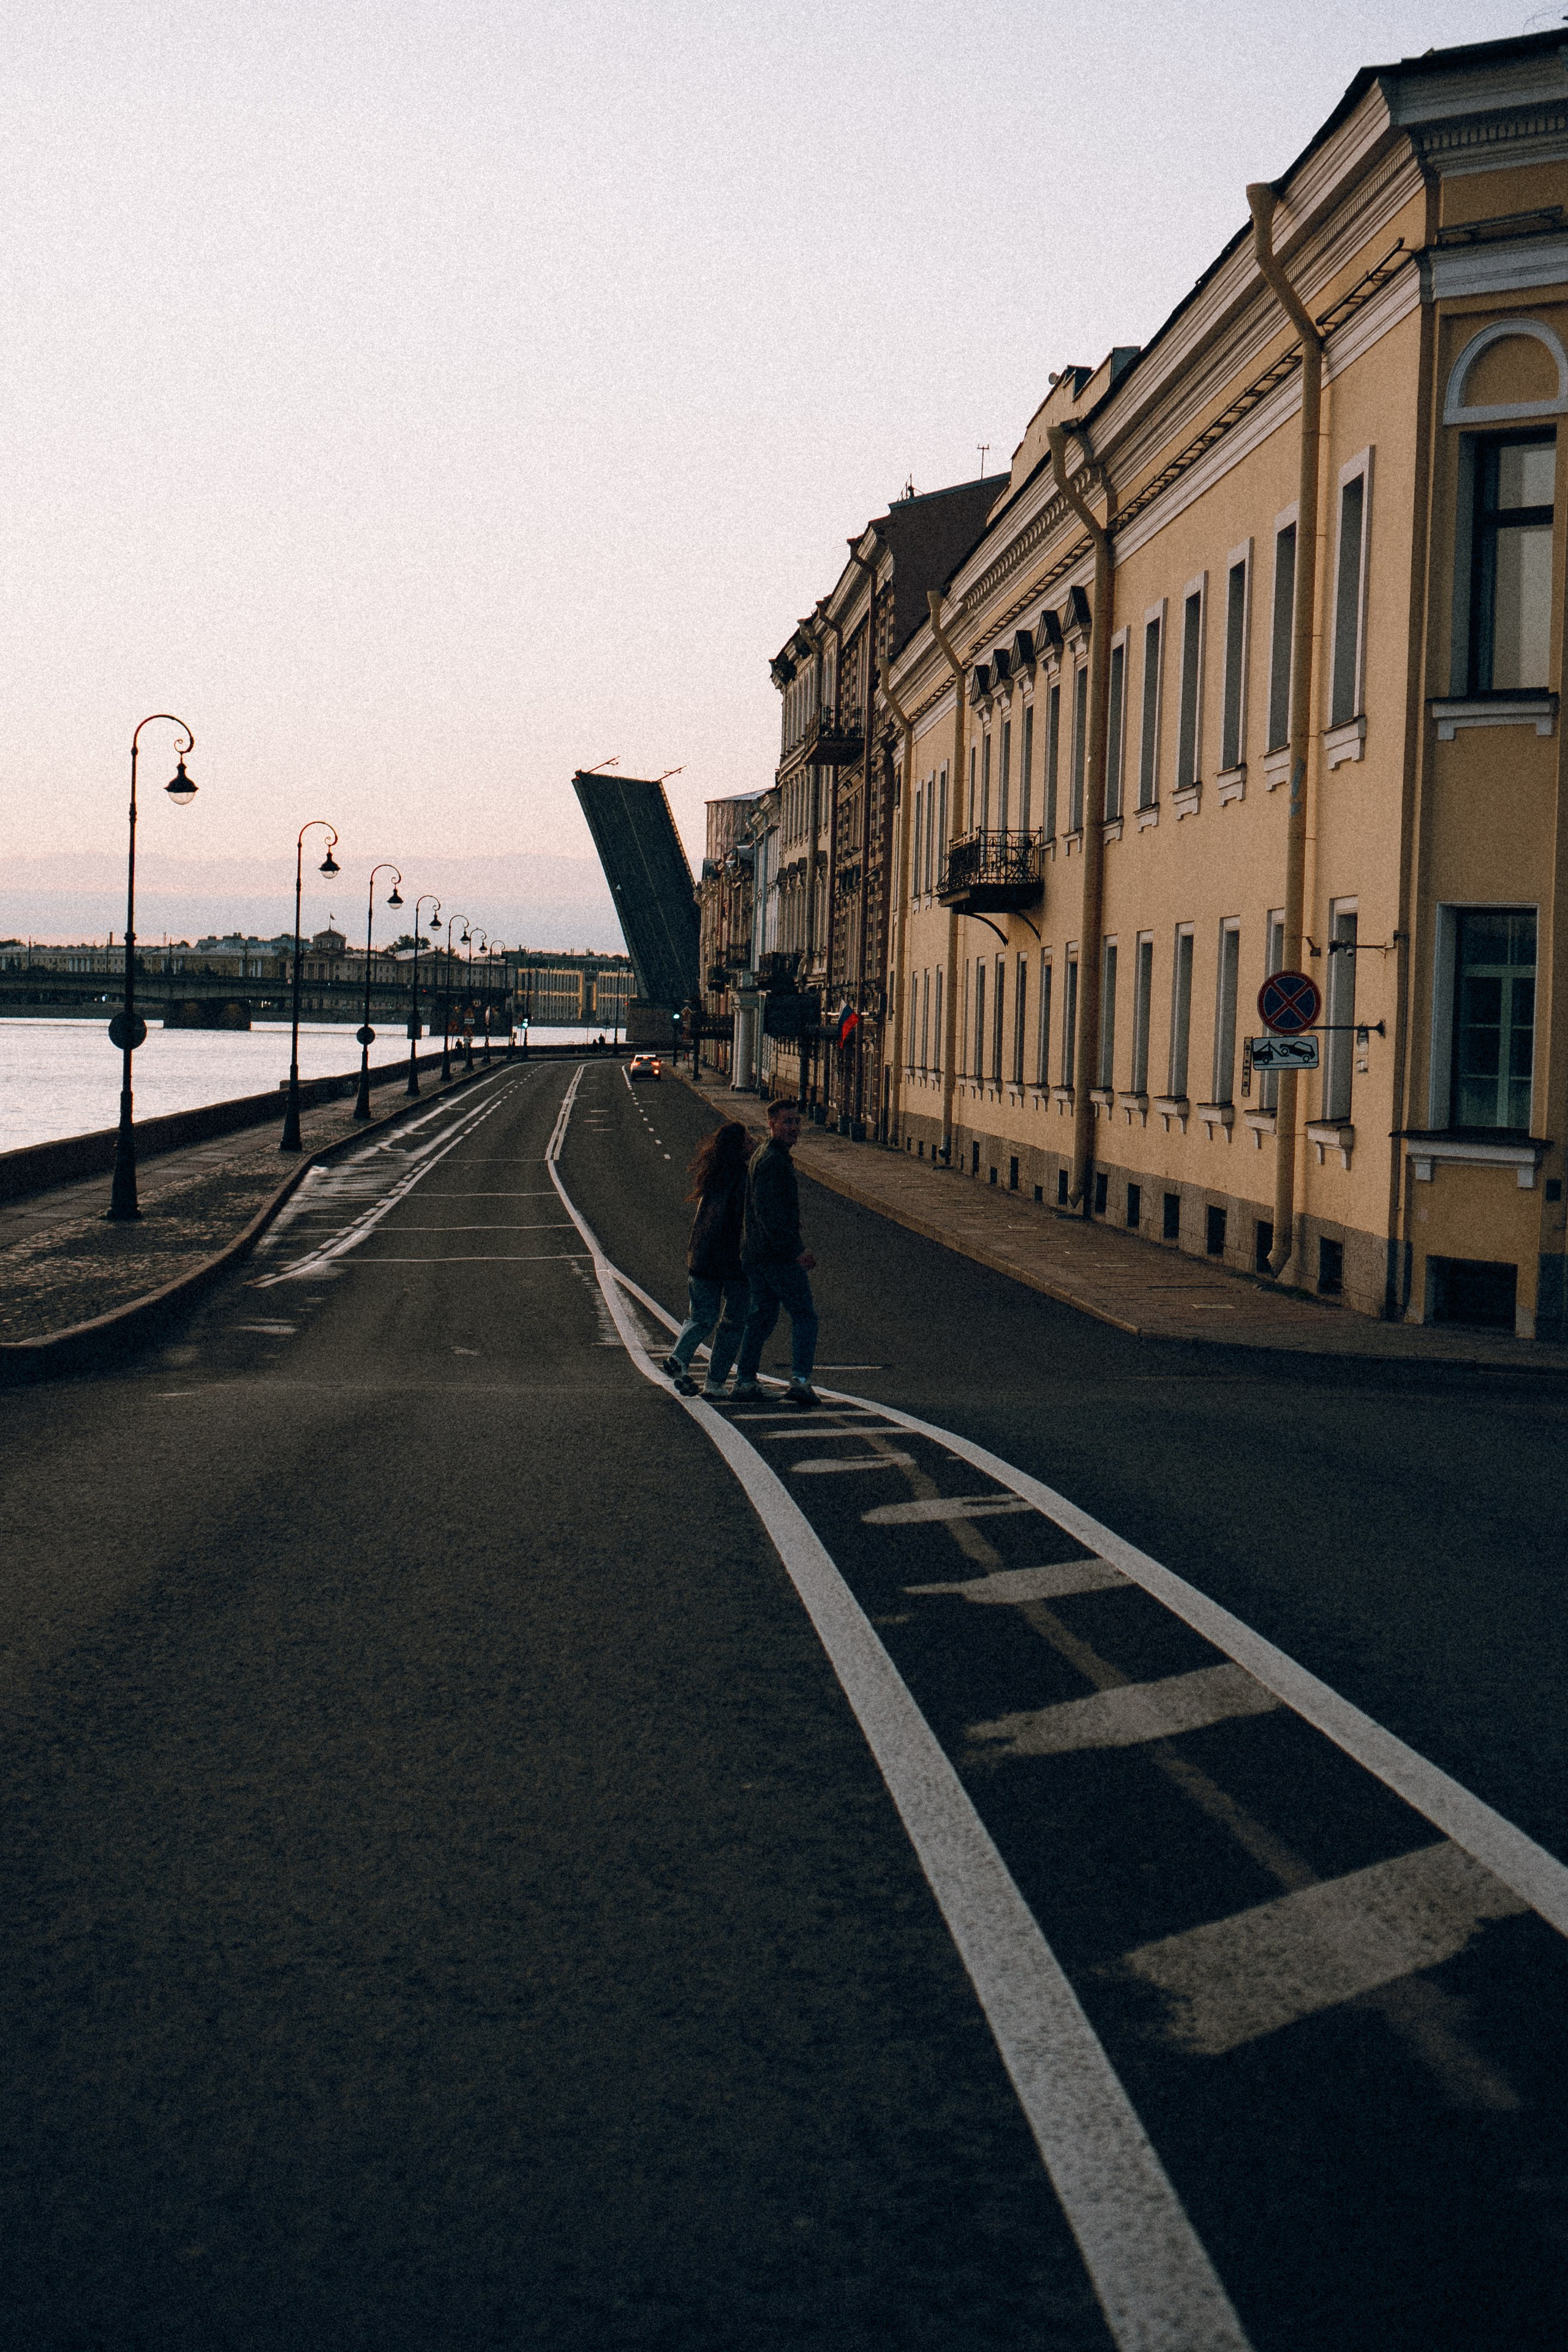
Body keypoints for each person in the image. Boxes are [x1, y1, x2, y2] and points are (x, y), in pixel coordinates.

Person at [731, 1098, 819, 1408]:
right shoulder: (773, 1161)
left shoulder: (765, 1155)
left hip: (757, 1254)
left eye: (796, 1122)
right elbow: (771, 1215)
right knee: (804, 1316)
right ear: (772, 1124)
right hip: (776, 1257)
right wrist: (796, 1251)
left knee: (763, 1317)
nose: (794, 1128)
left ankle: (745, 1380)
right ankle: (801, 1380)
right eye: (787, 1122)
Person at [662, 1121, 753, 1398]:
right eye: (748, 1140)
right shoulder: (745, 1177)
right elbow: (744, 1221)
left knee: (701, 1317)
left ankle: (679, 1357)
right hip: (733, 1261)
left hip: (701, 1255)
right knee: (733, 1322)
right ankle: (714, 1382)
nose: (752, 1143)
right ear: (740, 1147)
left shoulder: (712, 1174)